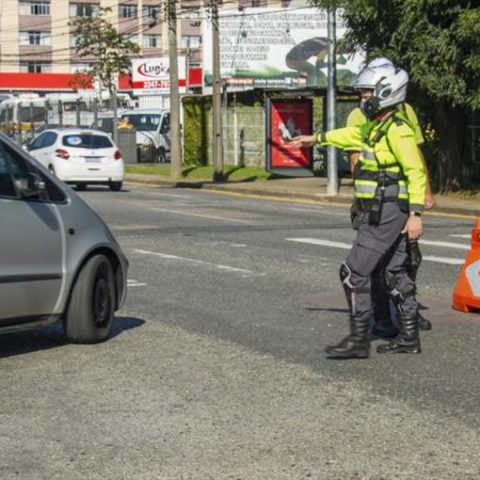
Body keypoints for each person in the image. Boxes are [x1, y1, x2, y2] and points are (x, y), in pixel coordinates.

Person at [289, 59, 426, 358]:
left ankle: (359, 339)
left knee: (353, 272)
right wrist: (316, 138)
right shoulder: (376, 127)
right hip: (383, 209)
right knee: (393, 273)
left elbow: (416, 171)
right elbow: (349, 136)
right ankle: (409, 337)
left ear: (385, 92)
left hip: (387, 211)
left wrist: (416, 214)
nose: (363, 100)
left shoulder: (397, 130)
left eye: (366, 94)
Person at [345, 57, 435, 338]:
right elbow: (356, 157)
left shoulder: (405, 109)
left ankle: (407, 311)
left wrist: (426, 190)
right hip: (374, 199)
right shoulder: (360, 113)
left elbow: (416, 153)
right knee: (374, 261)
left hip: (402, 200)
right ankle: (381, 316)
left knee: (408, 258)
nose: (365, 95)